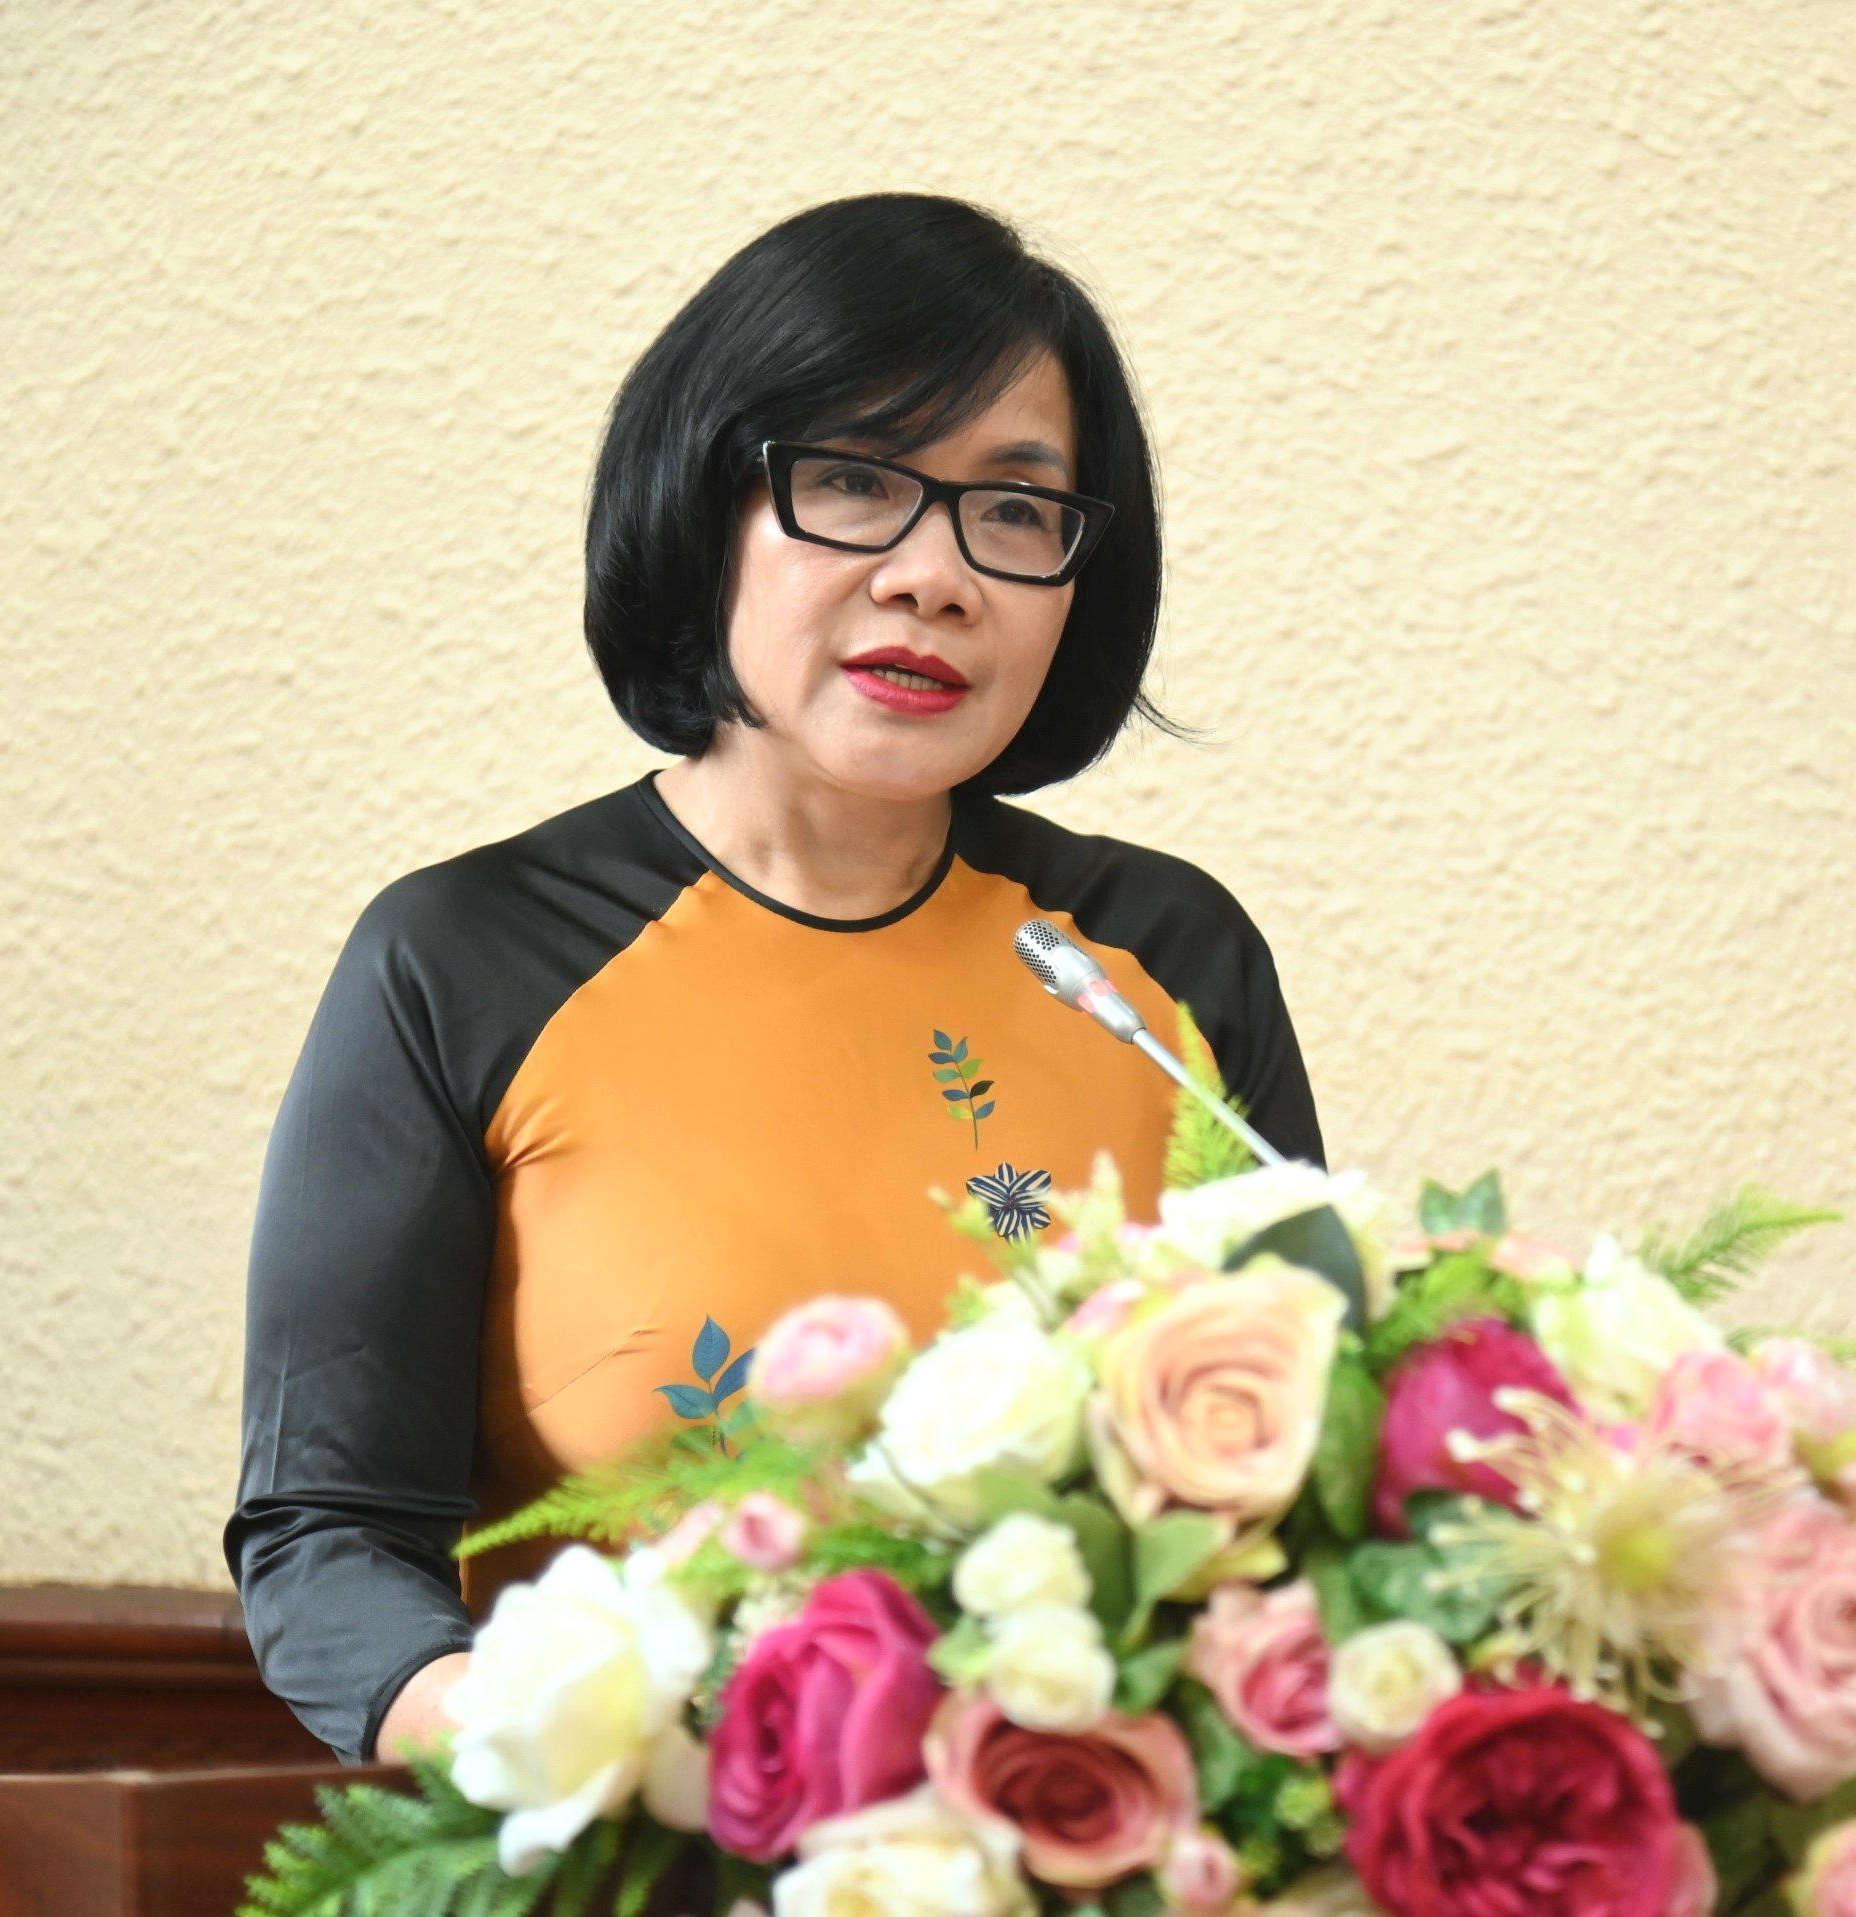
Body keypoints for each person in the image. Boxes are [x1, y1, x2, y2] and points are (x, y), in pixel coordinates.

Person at [225, 194, 1324, 1765]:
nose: (935, 577)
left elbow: (1312, 1476)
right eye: (855, 481)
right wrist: (574, 1752)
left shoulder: (1169, 958)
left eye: (1016, 510)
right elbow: (328, 1539)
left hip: (1103, 1826)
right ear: (705, 504)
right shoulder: (464, 961)